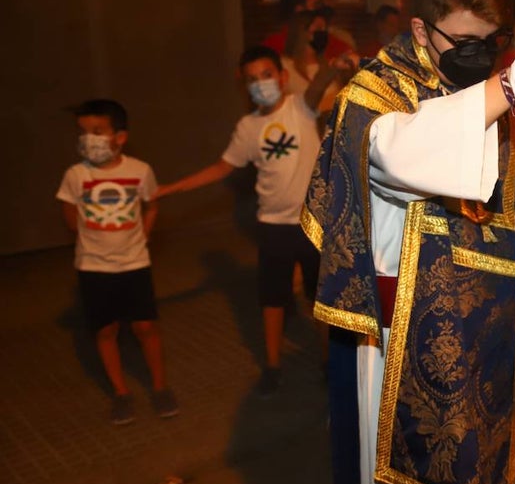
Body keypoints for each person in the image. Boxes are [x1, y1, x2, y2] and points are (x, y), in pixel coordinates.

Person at [303, 0, 515, 484]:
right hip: (406, 343)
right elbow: (402, 154)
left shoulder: (486, 90)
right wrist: (510, 83)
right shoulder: (377, 91)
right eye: (464, 39)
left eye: (492, 39)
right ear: (421, 29)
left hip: (490, 338)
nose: (480, 53)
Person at [156, 45, 351, 395]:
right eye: (252, 79)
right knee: (272, 300)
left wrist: (333, 67)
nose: (261, 83)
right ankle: (272, 367)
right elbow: (222, 167)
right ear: (243, 85)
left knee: (320, 299)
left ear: (282, 77)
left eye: (266, 75)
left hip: (313, 223)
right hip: (273, 227)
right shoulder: (248, 128)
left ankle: (327, 362)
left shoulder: (300, 108)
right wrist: (171, 188)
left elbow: (318, 86)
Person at [57, 99, 179, 425]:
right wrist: (91, 236)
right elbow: (69, 213)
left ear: (120, 137)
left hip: (134, 265)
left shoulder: (140, 170)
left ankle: (160, 387)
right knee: (106, 330)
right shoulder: (75, 175)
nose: (89, 139)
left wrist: (143, 235)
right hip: (93, 267)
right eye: (83, 132)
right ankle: (121, 393)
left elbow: (151, 204)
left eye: (98, 131)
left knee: (145, 327)